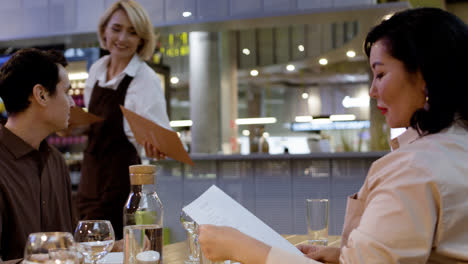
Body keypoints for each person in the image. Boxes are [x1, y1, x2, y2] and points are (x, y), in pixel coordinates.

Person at [198, 7, 468, 264]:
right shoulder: (455, 147)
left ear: (423, 75)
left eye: (381, 73)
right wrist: (343, 254)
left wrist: (240, 247)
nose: (373, 91)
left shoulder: (414, 168)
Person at [77, 0, 171, 239]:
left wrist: (157, 147)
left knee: (110, 246)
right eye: (117, 28)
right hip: (90, 176)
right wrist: (73, 126)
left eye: (132, 32)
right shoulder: (97, 69)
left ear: (142, 39)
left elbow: (162, 140)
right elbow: (95, 123)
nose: (122, 38)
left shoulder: (145, 79)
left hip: (120, 184)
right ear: (104, 30)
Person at [0, 48, 76, 260]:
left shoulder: (56, 161)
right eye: (66, 92)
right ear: (41, 95)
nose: (71, 103)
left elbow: (69, 247)